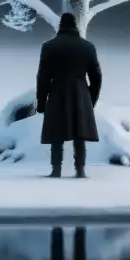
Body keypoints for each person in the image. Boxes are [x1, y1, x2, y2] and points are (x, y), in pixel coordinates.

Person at [36, 12, 102, 179]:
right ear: (76, 27)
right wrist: (91, 99)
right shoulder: (88, 47)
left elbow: (43, 77)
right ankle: (80, 169)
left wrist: (41, 101)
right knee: (79, 133)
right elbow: (96, 76)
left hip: (57, 90)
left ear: (60, 26)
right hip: (81, 92)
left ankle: (56, 169)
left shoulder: (49, 46)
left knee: (56, 134)